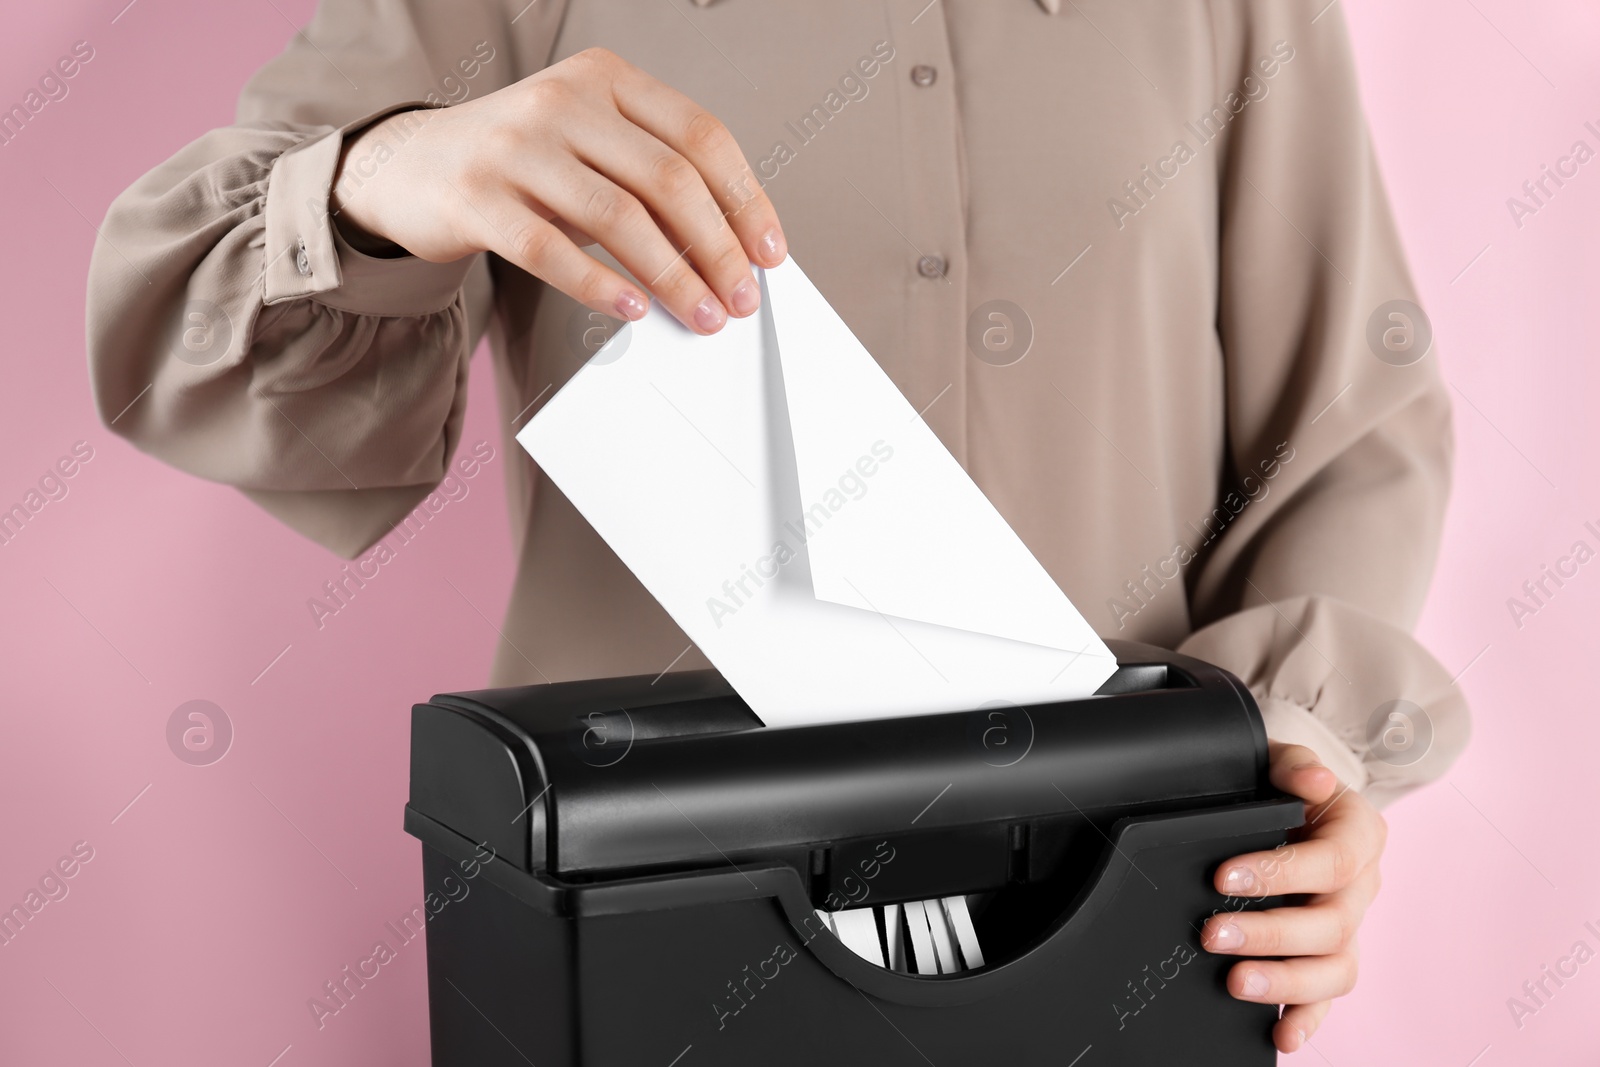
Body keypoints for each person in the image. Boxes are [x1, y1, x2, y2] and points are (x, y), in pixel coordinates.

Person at [86, 0, 1467, 1052]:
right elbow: (185, 319)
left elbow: (1352, 420)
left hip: (1129, 901)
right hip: (642, 906)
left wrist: (1298, 755)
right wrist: (381, 178)